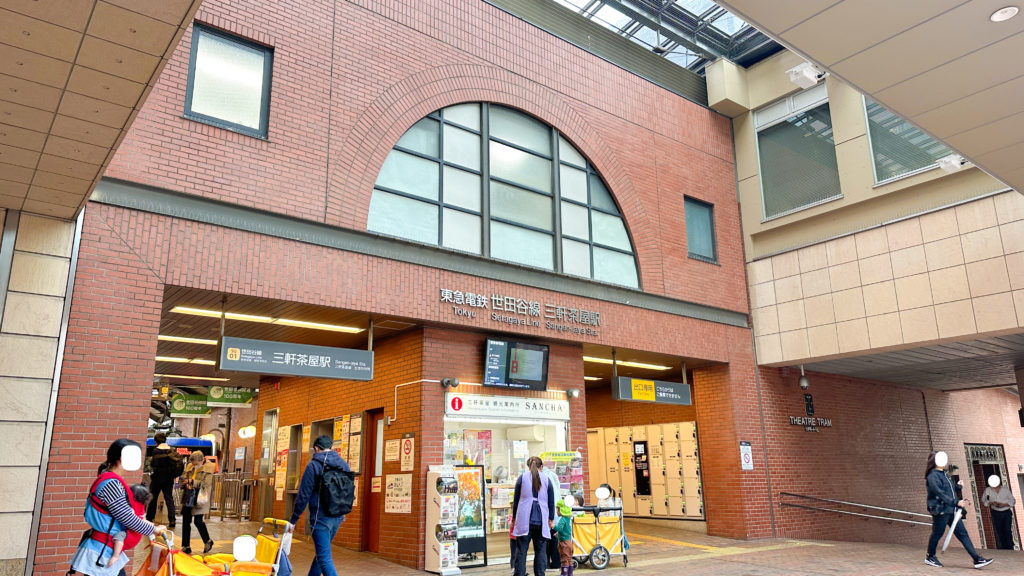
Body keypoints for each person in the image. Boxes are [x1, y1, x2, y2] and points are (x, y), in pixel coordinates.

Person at [69, 439, 165, 576]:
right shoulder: (111, 484)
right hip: (104, 550)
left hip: (103, 547)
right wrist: (154, 530)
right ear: (122, 458)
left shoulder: (107, 479)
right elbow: (127, 518)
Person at [291, 435, 351, 576]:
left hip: (320, 518)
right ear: (331, 447)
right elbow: (346, 491)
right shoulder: (343, 464)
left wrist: (293, 519)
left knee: (324, 558)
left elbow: (303, 495)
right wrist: (342, 513)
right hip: (337, 517)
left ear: (316, 448)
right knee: (321, 554)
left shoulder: (313, 465)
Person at [925, 451, 992, 569]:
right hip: (940, 510)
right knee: (937, 533)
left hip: (952, 510)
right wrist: (956, 502)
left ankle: (977, 559)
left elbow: (949, 489)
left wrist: (958, 486)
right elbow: (940, 493)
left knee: (962, 534)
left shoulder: (944, 474)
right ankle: (930, 556)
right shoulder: (932, 476)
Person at [511, 456, 555, 576]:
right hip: (541, 519)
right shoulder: (547, 479)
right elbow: (551, 501)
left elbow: (516, 500)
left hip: (524, 518)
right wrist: (551, 518)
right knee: (540, 551)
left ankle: (520, 573)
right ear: (541, 467)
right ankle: (540, 574)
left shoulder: (522, 478)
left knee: (521, 550)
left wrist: (514, 517)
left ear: (528, 466)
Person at [105, 484, 151, 567]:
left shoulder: (131, 507)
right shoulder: (140, 506)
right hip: (133, 532)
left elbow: (131, 519)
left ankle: (116, 555)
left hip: (128, 533)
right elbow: (143, 518)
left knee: (119, 537)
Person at [180, 450, 215, 554]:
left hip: (200, 497)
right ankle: (186, 546)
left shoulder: (209, 469)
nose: (194, 465)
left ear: (202, 460)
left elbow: (206, 484)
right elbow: (184, 478)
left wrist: (192, 481)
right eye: (193, 463)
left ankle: (208, 541)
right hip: (189, 496)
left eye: (196, 464)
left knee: (198, 521)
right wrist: (184, 482)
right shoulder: (189, 467)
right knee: (186, 521)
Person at [146, 433, 182, 528]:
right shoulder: (171, 450)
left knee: (153, 498)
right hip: (169, 478)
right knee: (169, 499)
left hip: (157, 478)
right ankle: (172, 520)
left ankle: (149, 518)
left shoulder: (156, 451)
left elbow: (154, 464)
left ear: (156, 441)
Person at [981, 474, 1016, 550]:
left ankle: (1010, 546)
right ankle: (1003, 547)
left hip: (1006, 512)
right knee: (999, 530)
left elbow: (1013, 500)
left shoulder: (1005, 489)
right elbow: (983, 500)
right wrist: (991, 503)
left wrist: (1004, 504)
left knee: (1007, 529)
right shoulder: (988, 490)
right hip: (996, 512)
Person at [542, 463, 562, 570]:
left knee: (544, 540)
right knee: (554, 539)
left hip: (547, 513)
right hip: (555, 512)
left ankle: (545, 563)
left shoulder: (542, 477)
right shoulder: (553, 475)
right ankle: (556, 562)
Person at [553, 501, 574, 576]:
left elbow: (560, 528)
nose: (556, 511)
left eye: (557, 509)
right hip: (568, 541)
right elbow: (566, 529)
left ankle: (564, 573)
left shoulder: (562, 519)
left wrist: (553, 526)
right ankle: (570, 573)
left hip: (564, 543)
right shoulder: (567, 518)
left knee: (564, 558)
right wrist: (558, 534)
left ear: (561, 510)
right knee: (569, 558)